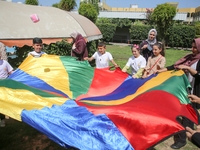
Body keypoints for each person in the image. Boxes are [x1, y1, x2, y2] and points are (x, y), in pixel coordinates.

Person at [157, 38, 200, 149]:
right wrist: (161, 70)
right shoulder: (189, 58)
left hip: (194, 93)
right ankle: (183, 138)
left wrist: (188, 68)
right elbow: (174, 67)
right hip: (183, 91)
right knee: (184, 114)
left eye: (195, 47)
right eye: (192, 47)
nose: (192, 49)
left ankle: (183, 139)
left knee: (188, 116)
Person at [0, 51, 14, 127]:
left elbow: (11, 71)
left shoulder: (5, 63)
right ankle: (2, 119)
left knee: (6, 102)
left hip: (5, 86)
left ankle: (5, 119)